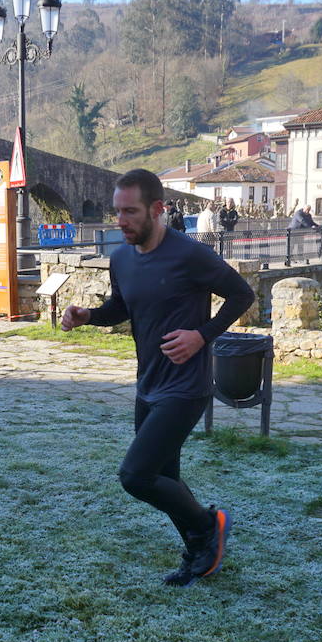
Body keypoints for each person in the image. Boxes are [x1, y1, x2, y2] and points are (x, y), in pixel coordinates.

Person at [62, 169, 254, 586]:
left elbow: (242, 294)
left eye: (129, 212)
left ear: (157, 209)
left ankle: (208, 525)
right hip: (148, 384)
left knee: (136, 475)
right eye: (117, 211)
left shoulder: (190, 254)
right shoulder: (121, 258)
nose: (120, 220)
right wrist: (88, 316)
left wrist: (201, 336)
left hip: (185, 388)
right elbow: (122, 308)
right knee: (164, 479)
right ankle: (200, 551)